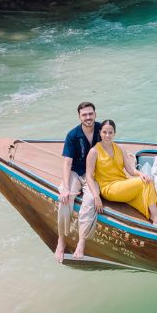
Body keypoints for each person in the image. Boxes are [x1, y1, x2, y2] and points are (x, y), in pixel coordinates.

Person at [85, 120, 157, 237]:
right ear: (100, 132)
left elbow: (130, 169)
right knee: (144, 183)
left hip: (123, 184)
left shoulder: (119, 148)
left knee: (148, 198)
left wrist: (141, 174)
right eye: (104, 132)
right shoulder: (94, 151)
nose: (107, 135)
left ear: (114, 133)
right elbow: (89, 177)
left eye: (110, 132)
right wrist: (96, 196)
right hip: (109, 189)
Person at [56, 102, 100, 261]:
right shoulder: (72, 135)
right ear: (79, 117)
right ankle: (61, 240)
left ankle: (81, 242)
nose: (88, 117)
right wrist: (66, 187)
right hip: (75, 172)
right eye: (84, 115)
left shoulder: (102, 131)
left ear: (95, 114)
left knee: (90, 202)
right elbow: (67, 163)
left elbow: (113, 149)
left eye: (90, 114)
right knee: (64, 199)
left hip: (93, 174)